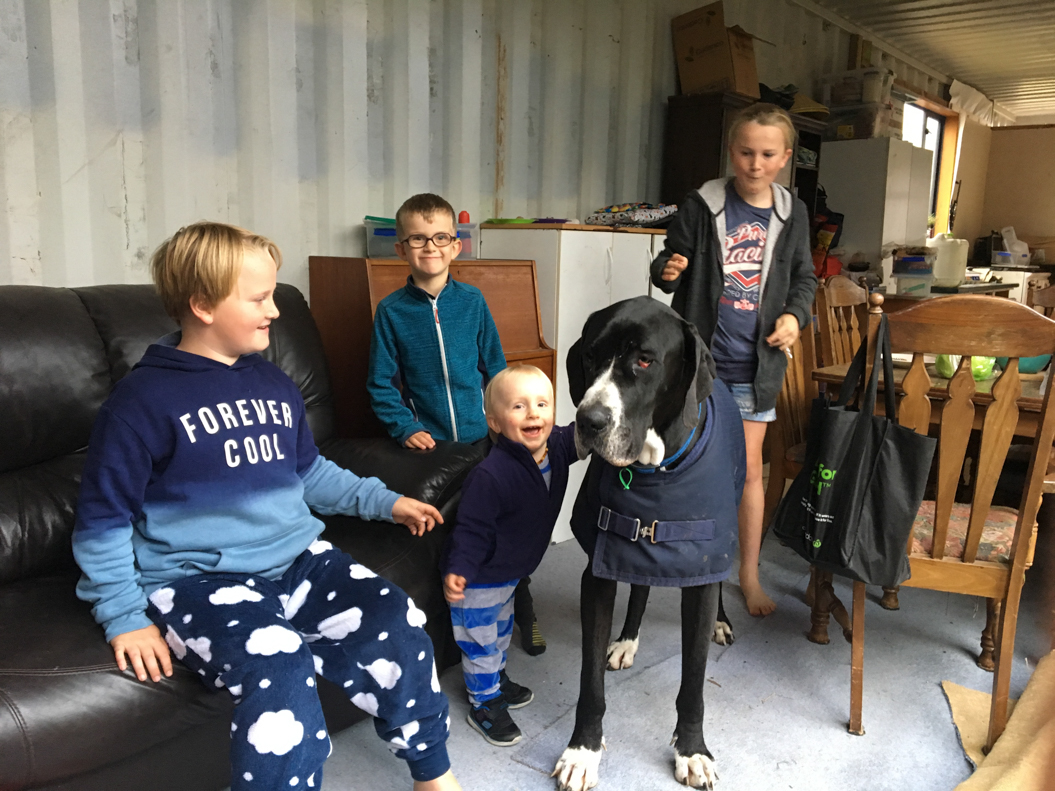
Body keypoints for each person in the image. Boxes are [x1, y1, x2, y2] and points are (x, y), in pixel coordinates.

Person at [72, 222, 461, 791]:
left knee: (396, 618)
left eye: (273, 295)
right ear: (203, 305)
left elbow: (309, 473)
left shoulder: (274, 382)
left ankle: (433, 773)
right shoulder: (140, 403)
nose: (274, 310)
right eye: (259, 298)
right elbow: (102, 521)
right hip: (197, 581)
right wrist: (124, 616)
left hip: (299, 561)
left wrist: (387, 501)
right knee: (280, 663)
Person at [650, 103, 818, 617]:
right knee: (693, 470)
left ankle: (747, 574)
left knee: (748, 475)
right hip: (700, 366)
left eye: (767, 154)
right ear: (731, 151)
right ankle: (694, 567)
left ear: (785, 158)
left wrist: (795, 317)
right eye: (746, 152)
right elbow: (667, 263)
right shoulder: (701, 204)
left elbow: (805, 279)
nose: (755, 164)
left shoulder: (793, 212)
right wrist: (669, 269)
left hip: (756, 369)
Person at [369, 193, 547, 656]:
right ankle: (454, 629)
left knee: (504, 528)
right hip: (433, 451)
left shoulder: (472, 301)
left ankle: (523, 607)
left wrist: (511, 424)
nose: (430, 247)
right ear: (401, 248)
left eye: (440, 238)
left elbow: (498, 372)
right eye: (418, 239)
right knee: (453, 538)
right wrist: (404, 426)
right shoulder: (391, 311)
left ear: (456, 246)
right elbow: (381, 384)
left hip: (483, 441)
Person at [441, 366, 577, 746]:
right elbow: (471, 529)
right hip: (478, 577)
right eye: (519, 406)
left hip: (510, 571)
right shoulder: (491, 475)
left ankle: (495, 679)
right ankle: (483, 704)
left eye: (542, 404)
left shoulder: (556, 449)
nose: (533, 413)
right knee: (481, 640)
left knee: (502, 631)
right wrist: (460, 568)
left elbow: (585, 433)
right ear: (495, 422)